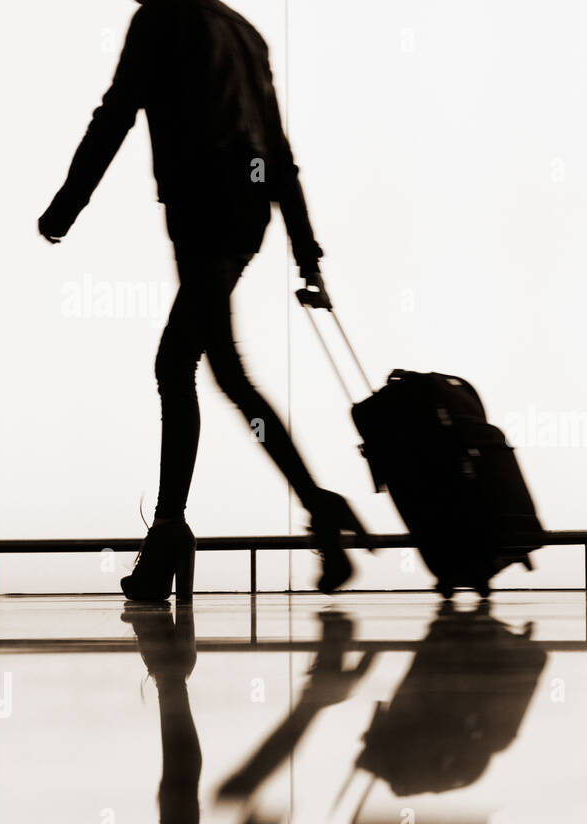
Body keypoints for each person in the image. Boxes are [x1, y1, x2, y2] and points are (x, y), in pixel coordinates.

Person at [38, 0, 362, 601]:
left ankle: (197, 529)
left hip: (203, 211)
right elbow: (278, 151)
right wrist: (306, 251)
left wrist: (68, 203)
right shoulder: (245, 31)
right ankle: (216, 526)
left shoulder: (161, 18)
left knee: (197, 368)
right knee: (205, 368)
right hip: (244, 215)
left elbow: (116, 113)